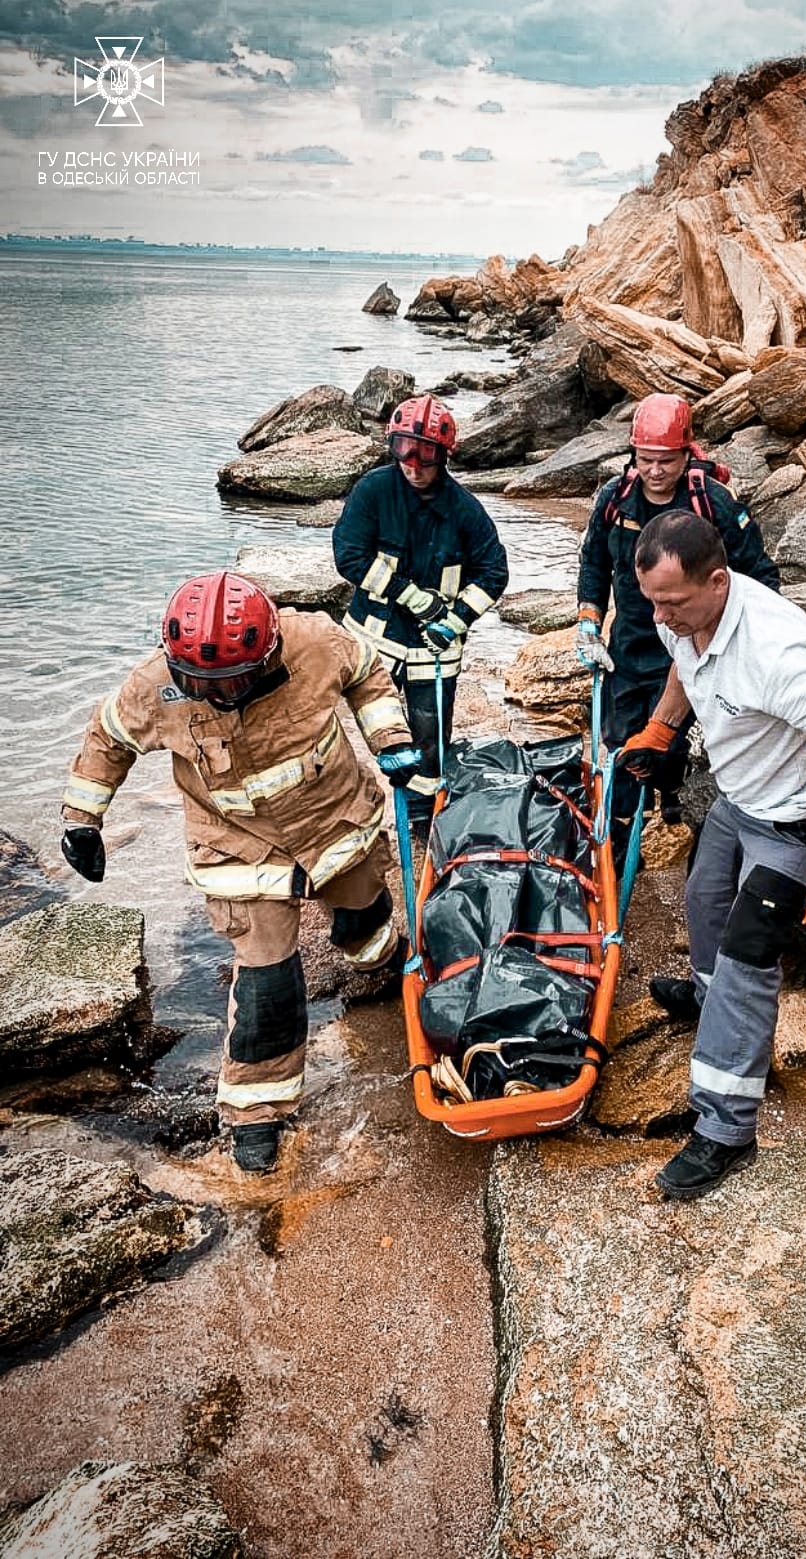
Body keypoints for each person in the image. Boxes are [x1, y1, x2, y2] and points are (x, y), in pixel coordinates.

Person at [60, 571, 423, 1174]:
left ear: (270, 650)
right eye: (203, 681)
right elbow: (107, 740)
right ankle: (257, 1113)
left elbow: (365, 674)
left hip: (334, 824)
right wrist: (82, 819)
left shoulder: (315, 641)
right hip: (237, 849)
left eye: (233, 679)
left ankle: (379, 961)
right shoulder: (154, 687)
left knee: (366, 920)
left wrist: (391, 737)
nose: (219, 692)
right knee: (268, 983)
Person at [622, 510, 806, 1200]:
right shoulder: (679, 615)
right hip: (737, 803)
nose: (661, 615)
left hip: (795, 823)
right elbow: (684, 667)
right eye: (653, 600)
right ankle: (709, 1004)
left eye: (672, 602)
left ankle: (726, 1131)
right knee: (702, 903)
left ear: (717, 580)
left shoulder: (776, 648)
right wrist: (660, 726)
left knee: (745, 955)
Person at [575, 392, 779, 847]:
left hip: (692, 645)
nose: (655, 470)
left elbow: (759, 575)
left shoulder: (714, 505)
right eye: (646, 459)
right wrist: (588, 618)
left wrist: (736, 640)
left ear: (687, 453)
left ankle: (672, 784)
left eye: (667, 460)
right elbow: (593, 562)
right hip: (630, 642)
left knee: (666, 743)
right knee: (620, 741)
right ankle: (623, 836)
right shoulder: (615, 500)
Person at [333, 394, 509, 823]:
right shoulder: (374, 491)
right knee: (345, 729)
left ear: (444, 455)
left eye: (425, 454)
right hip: (372, 640)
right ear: (392, 446)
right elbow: (349, 555)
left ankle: (421, 819)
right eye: (404, 451)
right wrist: (410, 595)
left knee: (430, 745)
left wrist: (455, 620)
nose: (413, 464)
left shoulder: (465, 511)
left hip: (435, 650)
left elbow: (493, 573)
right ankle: (346, 810)